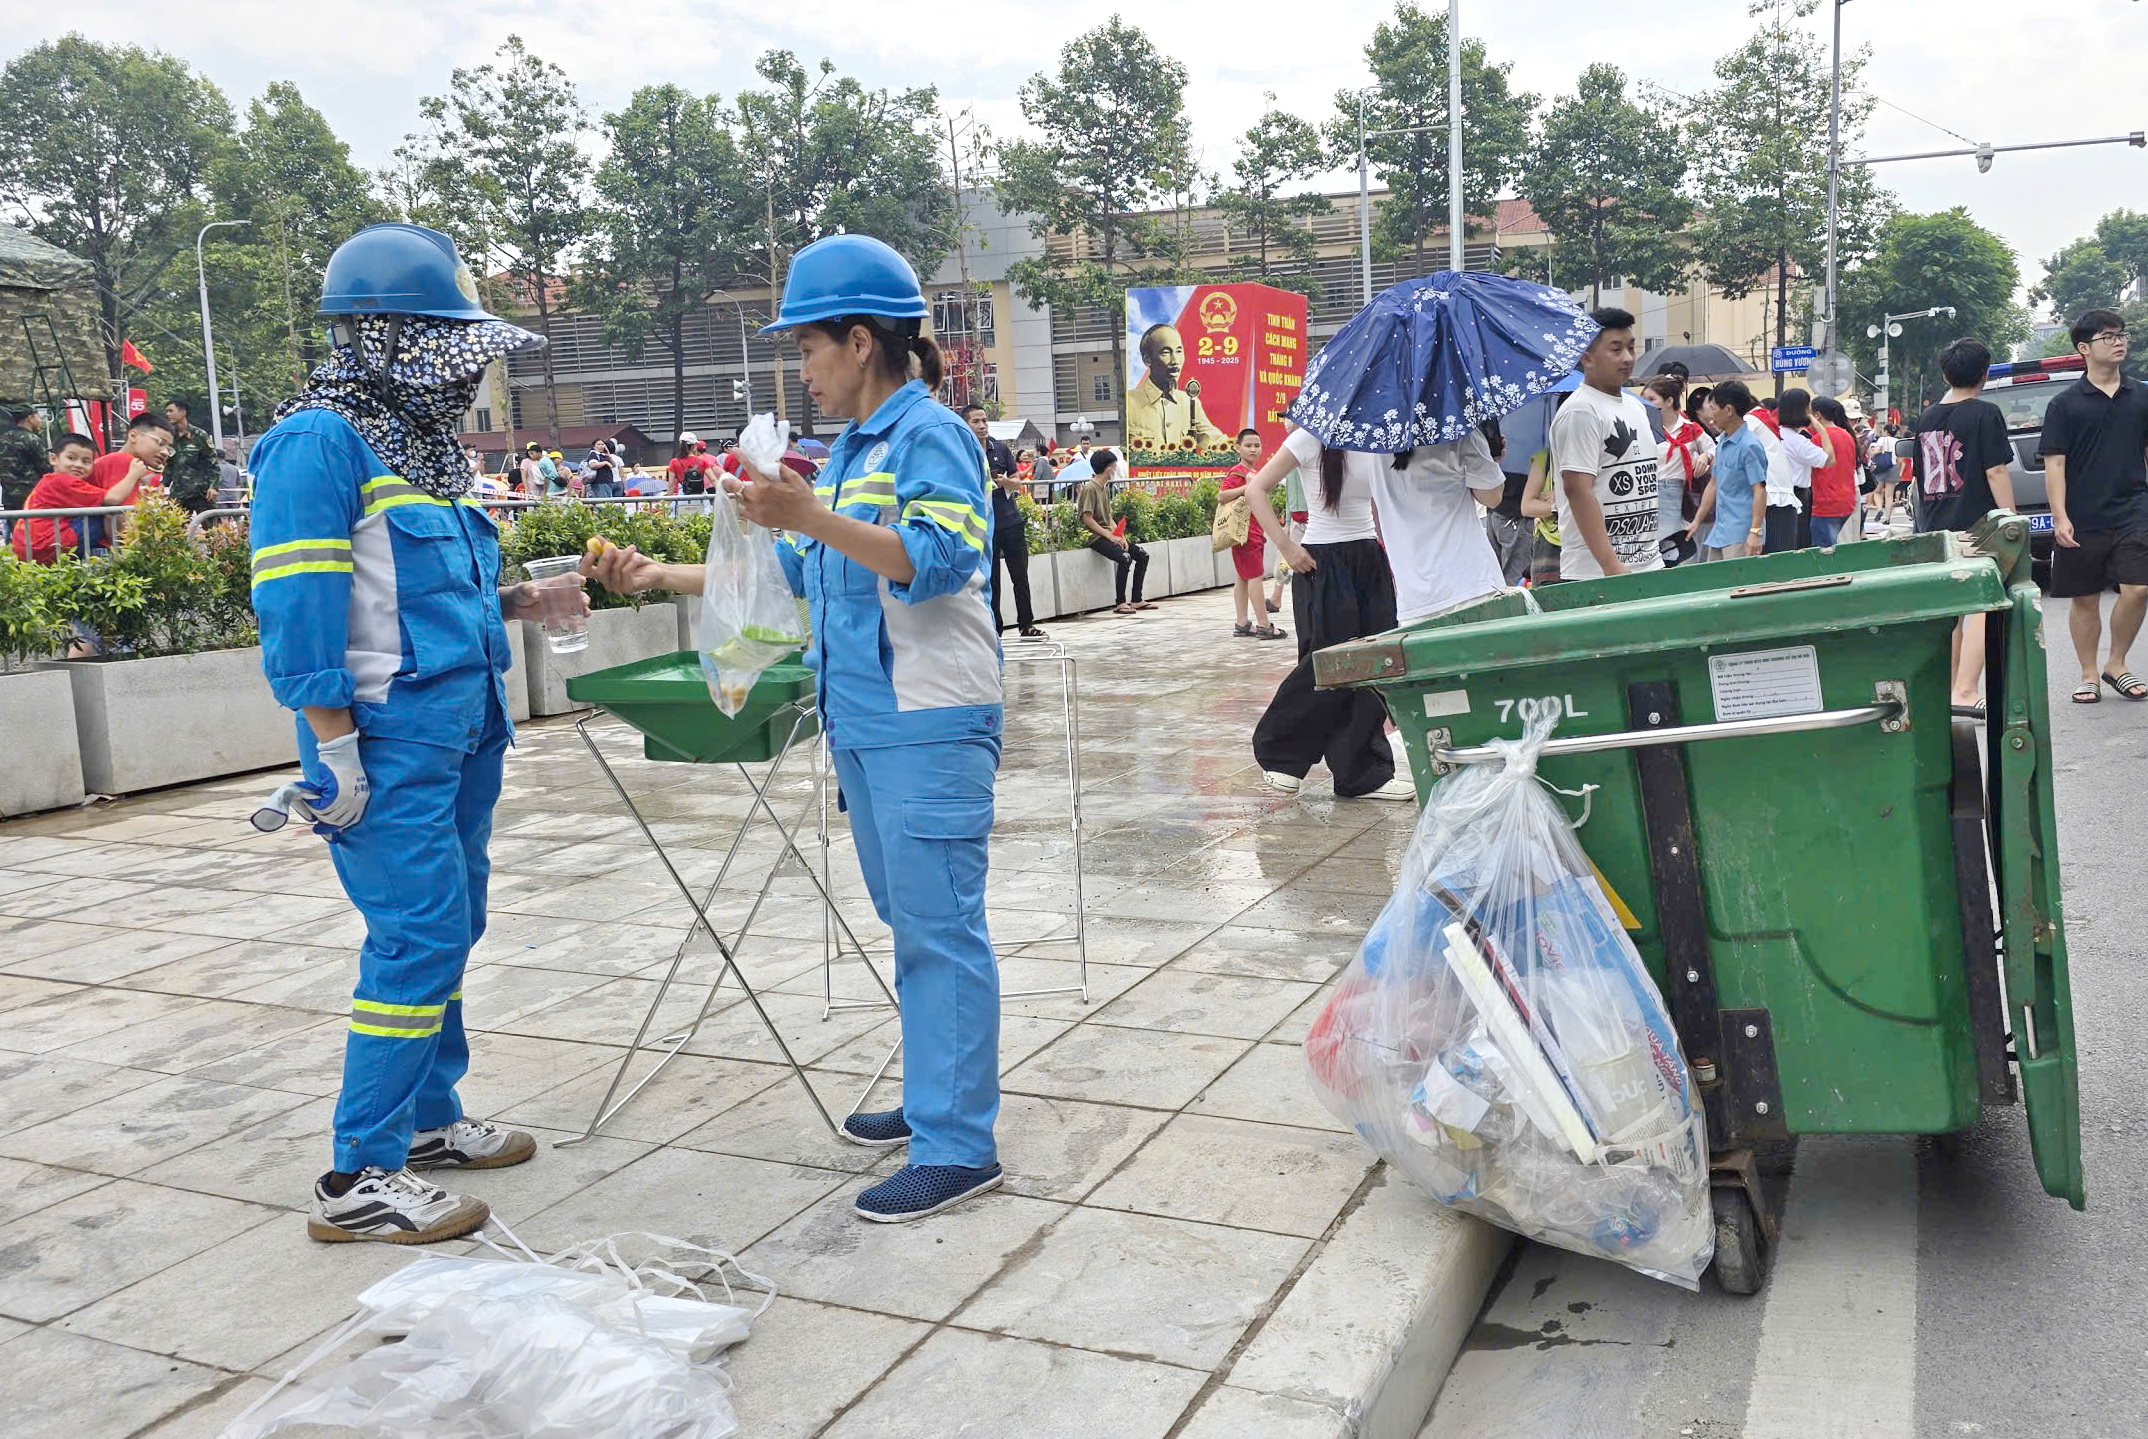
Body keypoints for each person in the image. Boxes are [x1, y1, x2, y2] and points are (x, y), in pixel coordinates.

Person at [586, 232, 1007, 1223]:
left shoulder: (926, 435)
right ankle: (936, 1093)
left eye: (809, 347)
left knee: (941, 924)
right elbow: (806, 575)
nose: (801, 369)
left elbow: (941, 559)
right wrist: (665, 576)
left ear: (861, 342)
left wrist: (807, 515)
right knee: (910, 918)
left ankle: (960, 1144)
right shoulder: (856, 452)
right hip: (865, 718)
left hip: (930, 719)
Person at [246, 222, 582, 1245]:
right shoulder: (318, 442)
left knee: (454, 923)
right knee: (418, 935)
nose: (467, 366)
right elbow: (301, 609)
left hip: (459, 731)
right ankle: (360, 1172)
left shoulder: (420, 449)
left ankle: (429, 1119)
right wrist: (333, 745)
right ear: (383, 338)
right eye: (448, 344)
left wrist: (528, 598)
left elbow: (428, 593)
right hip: (382, 744)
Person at [1240, 424, 1411, 800]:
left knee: (1372, 663)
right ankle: (1280, 755)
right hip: (1322, 561)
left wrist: (1394, 555)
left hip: (1368, 557)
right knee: (1326, 663)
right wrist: (1287, 548)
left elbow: (1380, 504)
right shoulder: (1309, 438)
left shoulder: (1376, 437)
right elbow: (1256, 489)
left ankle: (1362, 774)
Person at [2041, 308, 2148, 705]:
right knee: (2084, 596)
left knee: (2138, 588)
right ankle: (2089, 673)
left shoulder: (2141, 394)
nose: (2119, 341)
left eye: (2122, 334)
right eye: (2109, 336)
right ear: (2084, 348)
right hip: (2083, 512)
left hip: (2134, 507)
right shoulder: (2065, 404)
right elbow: (2055, 462)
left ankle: (2116, 663)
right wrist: (2059, 515)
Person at [1907, 337, 2016, 715]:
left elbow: (1920, 481)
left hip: (1937, 526)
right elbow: (1996, 470)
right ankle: (1967, 691)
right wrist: (2011, 520)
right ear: (1984, 374)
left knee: (1951, 613)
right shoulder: (1985, 414)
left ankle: (1949, 690)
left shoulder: (1925, 418)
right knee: (1981, 607)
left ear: (1944, 374)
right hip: (1978, 525)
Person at [1550, 307, 1664, 580]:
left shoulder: (1635, 408)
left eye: (1631, 348)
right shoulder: (1581, 411)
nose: (1627, 358)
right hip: (1598, 573)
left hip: (1648, 563)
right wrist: (1611, 565)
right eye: (1616, 349)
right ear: (1586, 357)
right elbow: (1578, 490)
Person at [970, 404, 1045, 640]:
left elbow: (1017, 482)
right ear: (966, 425)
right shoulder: (964, 452)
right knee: (991, 578)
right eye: (976, 422)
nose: (982, 426)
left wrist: (1004, 481)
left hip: (1010, 521)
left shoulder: (1000, 449)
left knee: (1020, 575)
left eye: (984, 420)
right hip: (984, 526)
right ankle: (995, 628)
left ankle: (1027, 624)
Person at [1687, 380, 1767, 560]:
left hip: (1741, 533)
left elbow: (1760, 491)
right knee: (1715, 584)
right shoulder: (1722, 441)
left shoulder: (1749, 446)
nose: (1710, 417)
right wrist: (1697, 520)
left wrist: (1755, 532)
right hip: (1720, 531)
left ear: (1729, 410)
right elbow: (1713, 484)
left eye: (1714, 409)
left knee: (1739, 585)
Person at [9, 432, 116, 563]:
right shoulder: (61, 481)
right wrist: (134, 474)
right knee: (100, 514)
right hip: (43, 547)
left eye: (85, 461)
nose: (78, 465)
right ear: (53, 459)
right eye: (71, 458)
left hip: (28, 548)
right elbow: (113, 498)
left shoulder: (49, 480)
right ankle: (113, 554)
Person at [1220, 428, 1285, 639]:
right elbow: (1221, 496)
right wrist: (1247, 487)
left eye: (1257, 445)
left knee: (1243, 576)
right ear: (1237, 447)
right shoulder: (1238, 473)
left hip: (1249, 532)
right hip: (1246, 534)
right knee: (1256, 577)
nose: (1253, 449)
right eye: (1248, 445)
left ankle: (1242, 622)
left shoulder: (1254, 473)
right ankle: (1264, 624)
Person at [1124, 324, 1227, 453]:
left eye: (1179, 351)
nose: (1175, 360)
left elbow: (1215, 440)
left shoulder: (1189, 402)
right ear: (1147, 360)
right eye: (1166, 352)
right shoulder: (1128, 402)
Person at [1077, 448, 1151, 614]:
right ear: (1108, 468)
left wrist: (1120, 536)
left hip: (1109, 534)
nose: (1116, 469)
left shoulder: (1104, 488)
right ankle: (1120, 602)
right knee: (1124, 558)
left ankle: (1137, 599)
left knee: (1142, 555)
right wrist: (1110, 536)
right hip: (1095, 537)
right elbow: (1087, 518)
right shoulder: (1090, 488)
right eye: (1114, 466)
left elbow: (1108, 517)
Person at [1646, 375, 1712, 551]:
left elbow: (1714, 449)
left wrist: (1704, 457)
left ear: (1668, 401)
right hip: (1649, 492)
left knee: (1672, 548)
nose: (1646, 404)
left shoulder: (1690, 428)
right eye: (1644, 399)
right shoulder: (1643, 427)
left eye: (1651, 399)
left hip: (1680, 493)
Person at [1808, 396, 1859, 547]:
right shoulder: (1847, 435)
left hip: (1826, 502)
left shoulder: (1819, 439)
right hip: (1847, 499)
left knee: (1825, 553)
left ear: (1817, 416)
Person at [161, 399, 220, 514]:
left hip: (201, 493)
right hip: (179, 493)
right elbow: (170, 465)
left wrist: (213, 487)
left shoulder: (200, 436)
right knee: (174, 528)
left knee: (211, 529)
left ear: (183, 412)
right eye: (166, 411)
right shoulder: (170, 437)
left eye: (171, 411)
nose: (167, 414)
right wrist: (163, 484)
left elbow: (212, 464)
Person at [0, 400, 50, 512]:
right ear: (30, 417)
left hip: (9, 498)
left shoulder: (3, 439)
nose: (40, 421)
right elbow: (46, 468)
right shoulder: (32, 439)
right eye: (38, 416)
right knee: (33, 528)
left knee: (17, 529)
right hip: (31, 496)